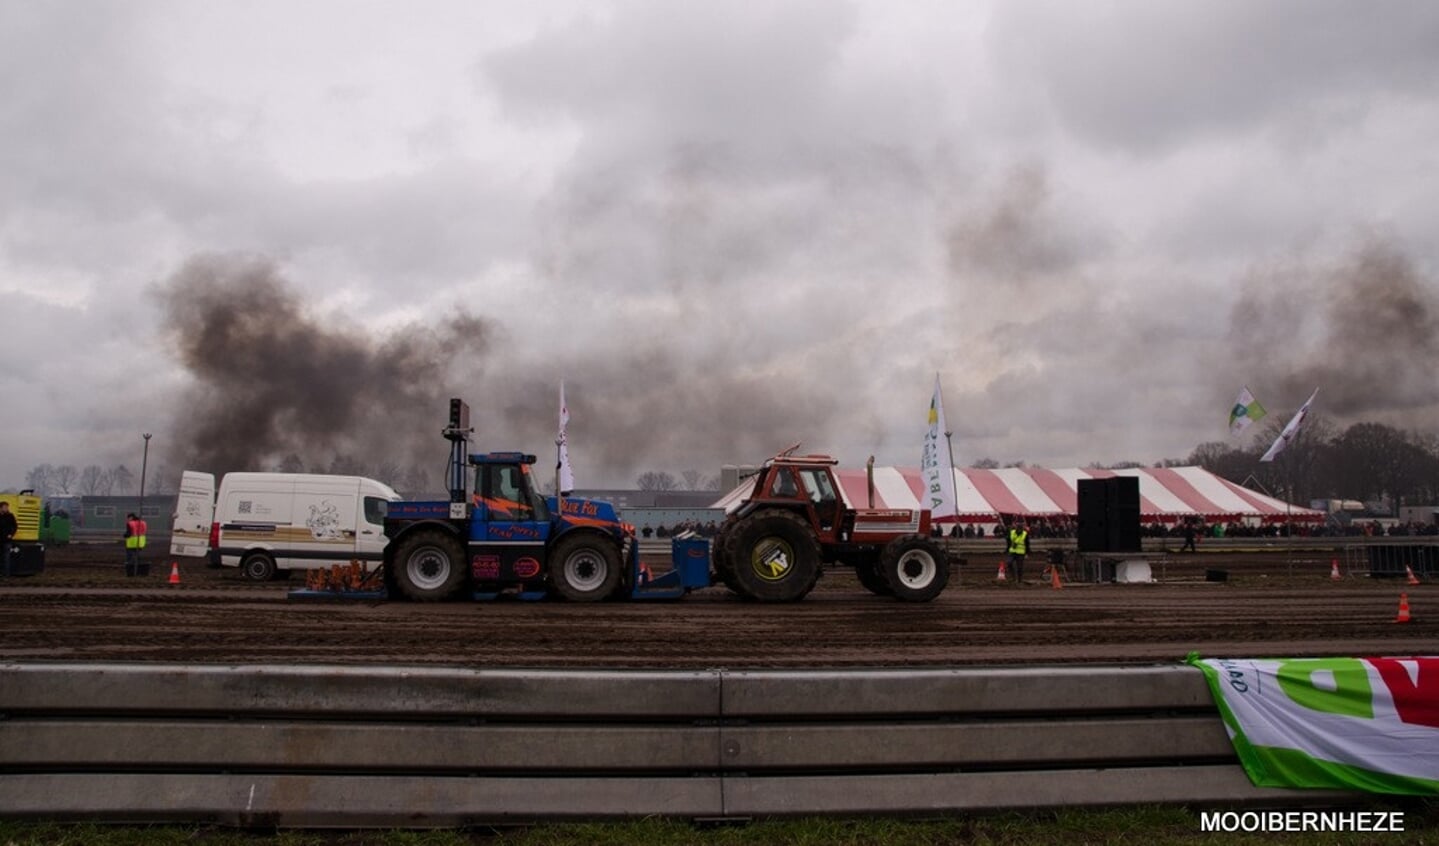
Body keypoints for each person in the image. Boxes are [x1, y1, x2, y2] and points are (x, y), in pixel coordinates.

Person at [1006, 519, 1031, 584]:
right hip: (1012, 551)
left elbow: (1027, 544)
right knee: (1009, 563)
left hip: (1021, 553)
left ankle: (1019, 580)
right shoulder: (1011, 532)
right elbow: (1008, 542)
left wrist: (1027, 553)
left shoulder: (1025, 534)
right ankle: (1013, 577)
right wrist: (1007, 550)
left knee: (1020, 567)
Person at [123, 512, 146, 577]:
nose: (128, 519)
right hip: (140, 542)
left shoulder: (130, 523)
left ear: (131, 517)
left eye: (128, 518)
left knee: (130, 557)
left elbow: (128, 533)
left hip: (132, 543)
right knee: (137, 556)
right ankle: (138, 570)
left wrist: (124, 535)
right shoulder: (143, 523)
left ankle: (130, 570)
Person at [0, 501, 16, 578]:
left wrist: (11, 534)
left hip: (7, 540)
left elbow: (15, 526)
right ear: (1, 508)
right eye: (4, 507)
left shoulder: (10, 516)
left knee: (6, 558)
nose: (6, 508)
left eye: (7, 507)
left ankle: (6, 574)